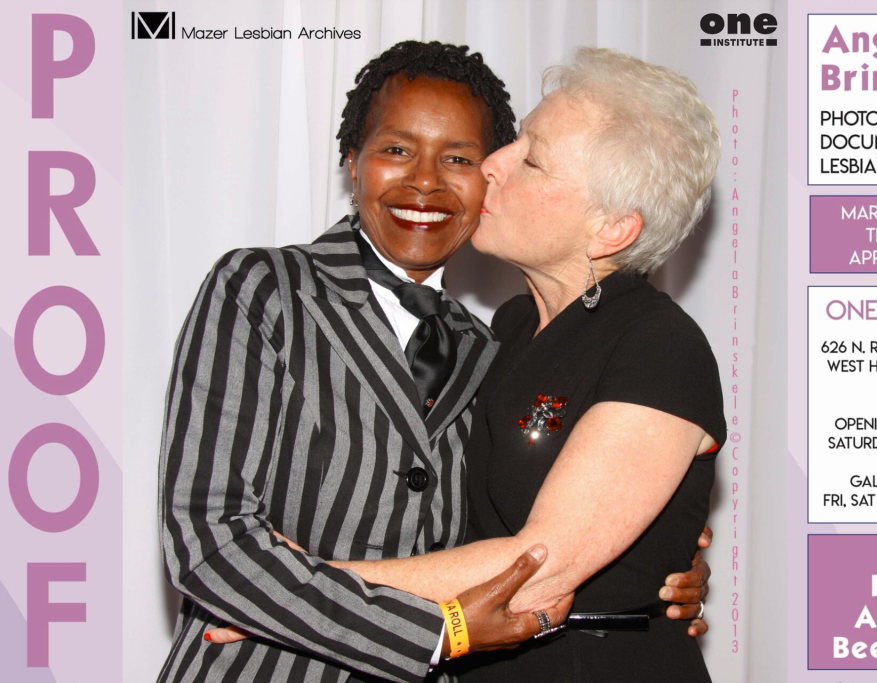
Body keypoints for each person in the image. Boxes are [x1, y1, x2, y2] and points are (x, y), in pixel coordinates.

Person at [158, 42, 710, 683]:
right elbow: (208, 536)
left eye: (463, 158)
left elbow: (536, 546)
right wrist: (440, 630)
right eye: (396, 149)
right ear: (352, 162)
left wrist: (650, 564)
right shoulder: (267, 290)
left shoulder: (485, 343)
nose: (428, 179)